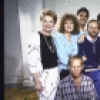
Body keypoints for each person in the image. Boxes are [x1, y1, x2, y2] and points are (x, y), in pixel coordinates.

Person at [27, 10, 60, 100]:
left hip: (55, 74)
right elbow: (32, 63)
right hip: (43, 76)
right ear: (41, 21)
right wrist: (37, 81)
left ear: (54, 23)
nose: (48, 24)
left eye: (51, 21)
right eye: (45, 21)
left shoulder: (53, 39)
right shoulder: (35, 37)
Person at [78, 19, 100, 100]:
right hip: (86, 71)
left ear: (98, 29)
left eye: (96, 28)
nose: (93, 30)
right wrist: (96, 64)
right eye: (91, 27)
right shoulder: (82, 41)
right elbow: (83, 59)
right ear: (87, 29)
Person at [53, 14, 79, 80]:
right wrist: (77, 62)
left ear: (74, 25)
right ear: (62, 25)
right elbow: (62, 57)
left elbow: (75, 54)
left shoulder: (74, 36)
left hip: (74, 68)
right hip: (63, 70)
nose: (69, 25)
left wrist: (84, 35)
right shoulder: (58, 37)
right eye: (66, 23)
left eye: (71, 23)